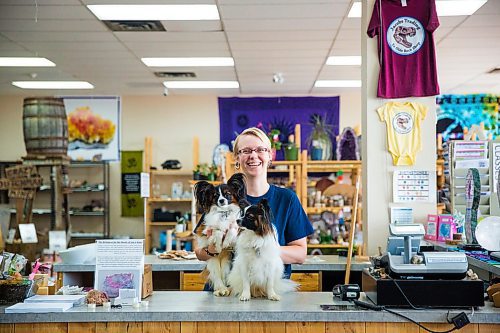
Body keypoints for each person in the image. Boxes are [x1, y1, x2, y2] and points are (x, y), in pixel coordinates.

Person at [195, 127, 314, 278]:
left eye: (260, 149)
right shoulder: (221, 199)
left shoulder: (287, 199)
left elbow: (300, 254)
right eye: (246, 151)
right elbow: (199, 253)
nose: (253, 155)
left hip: (266, 291)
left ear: (270, 155)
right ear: (236, 158)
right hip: (223, 292)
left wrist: (259, 247)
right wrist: (213, 249)